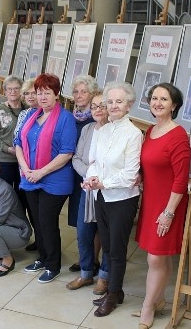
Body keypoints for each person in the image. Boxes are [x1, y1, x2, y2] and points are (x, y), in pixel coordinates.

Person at [82, 82, 142, 317]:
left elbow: (129, 175)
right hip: (101, 196)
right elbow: (94, 162)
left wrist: (103, 183)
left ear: (129, 105)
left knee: (117, 250)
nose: (114, 106)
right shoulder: (103, 130)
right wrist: (91, 179)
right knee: (107, 247)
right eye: (110, 101)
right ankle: (115, 291)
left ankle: (114, 293)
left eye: (119, 101)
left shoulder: (134, 134)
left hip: (122, 199)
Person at [135, 83, 191, 329]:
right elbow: (149, 164)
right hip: (151, 200)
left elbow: (181, 178)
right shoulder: (151, 130)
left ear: (174, 105)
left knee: (155, 258)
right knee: (160, 257)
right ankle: (159, 301)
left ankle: (148, 306)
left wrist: (168, 213)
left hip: (169, 204)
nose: (157, 103)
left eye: (164, 99)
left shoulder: (178, 135)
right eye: (154, 98)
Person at [14, 73, 77, 284]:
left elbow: (67, 152)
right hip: (30, 177)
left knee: (47, 222)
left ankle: (53, 265)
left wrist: (41, 172)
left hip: (55, 179)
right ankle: (42, 257)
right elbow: (18, 143)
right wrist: (25, 168)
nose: (42, 97)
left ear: (56, 94)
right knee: (37, 222)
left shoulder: (66, 118)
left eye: (47, 93)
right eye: (39, 92)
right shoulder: (33, 116)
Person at [66, 91, 108, 291]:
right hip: (87, 188)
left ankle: (104, 278)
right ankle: (86, 274)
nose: (98, 110)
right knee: (83, 233)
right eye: (94, 106)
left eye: (102, 106)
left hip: (108, 190)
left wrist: (97, 178)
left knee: (106, 235)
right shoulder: (88, 129)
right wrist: (89, 175)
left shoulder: (115, 131)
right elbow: (76, 158)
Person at [66, 75, 97, 271]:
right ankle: (86, 258)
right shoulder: (71, 116)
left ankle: (93, 261)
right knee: (80, 220)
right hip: (74, 173)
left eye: (83, 91)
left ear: (92, 94)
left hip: (90, 175)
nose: (79, 95)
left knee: (92, 220)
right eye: (76, 91)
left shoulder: (97, 119)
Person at [0, 75, 27, 208]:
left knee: (23, 197)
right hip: (4, 160)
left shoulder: (28, 109)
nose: (13, 92)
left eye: (16, 88)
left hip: (24, 162)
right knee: (6, 196)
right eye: (9, 89)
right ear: (5, 91)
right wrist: (7, 149)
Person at [12, 78, 37, 251]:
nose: (29, 96)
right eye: (26, 93)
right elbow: (17, 139)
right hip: (23, 167)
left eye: (33, 93)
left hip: (39, 168)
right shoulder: (23, 114)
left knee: (40, 210)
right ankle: (38, 239)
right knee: (29, 206)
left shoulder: (45, 114)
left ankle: (44, 243)